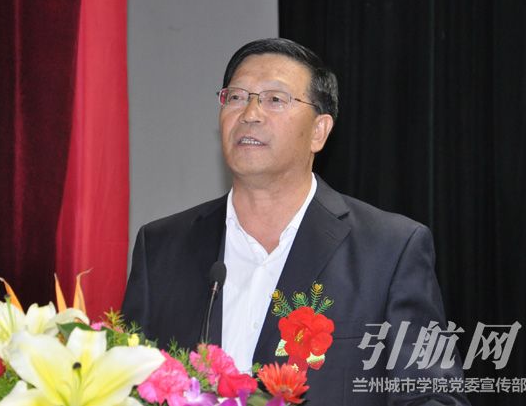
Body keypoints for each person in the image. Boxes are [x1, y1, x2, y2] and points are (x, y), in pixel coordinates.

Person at [122, 38, 470, 405]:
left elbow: (434, 397)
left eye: (275, 99)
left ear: (319, 131)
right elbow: (124, 387)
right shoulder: (161, 247)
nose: (250, 113)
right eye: (236, 97)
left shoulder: (389, 250)